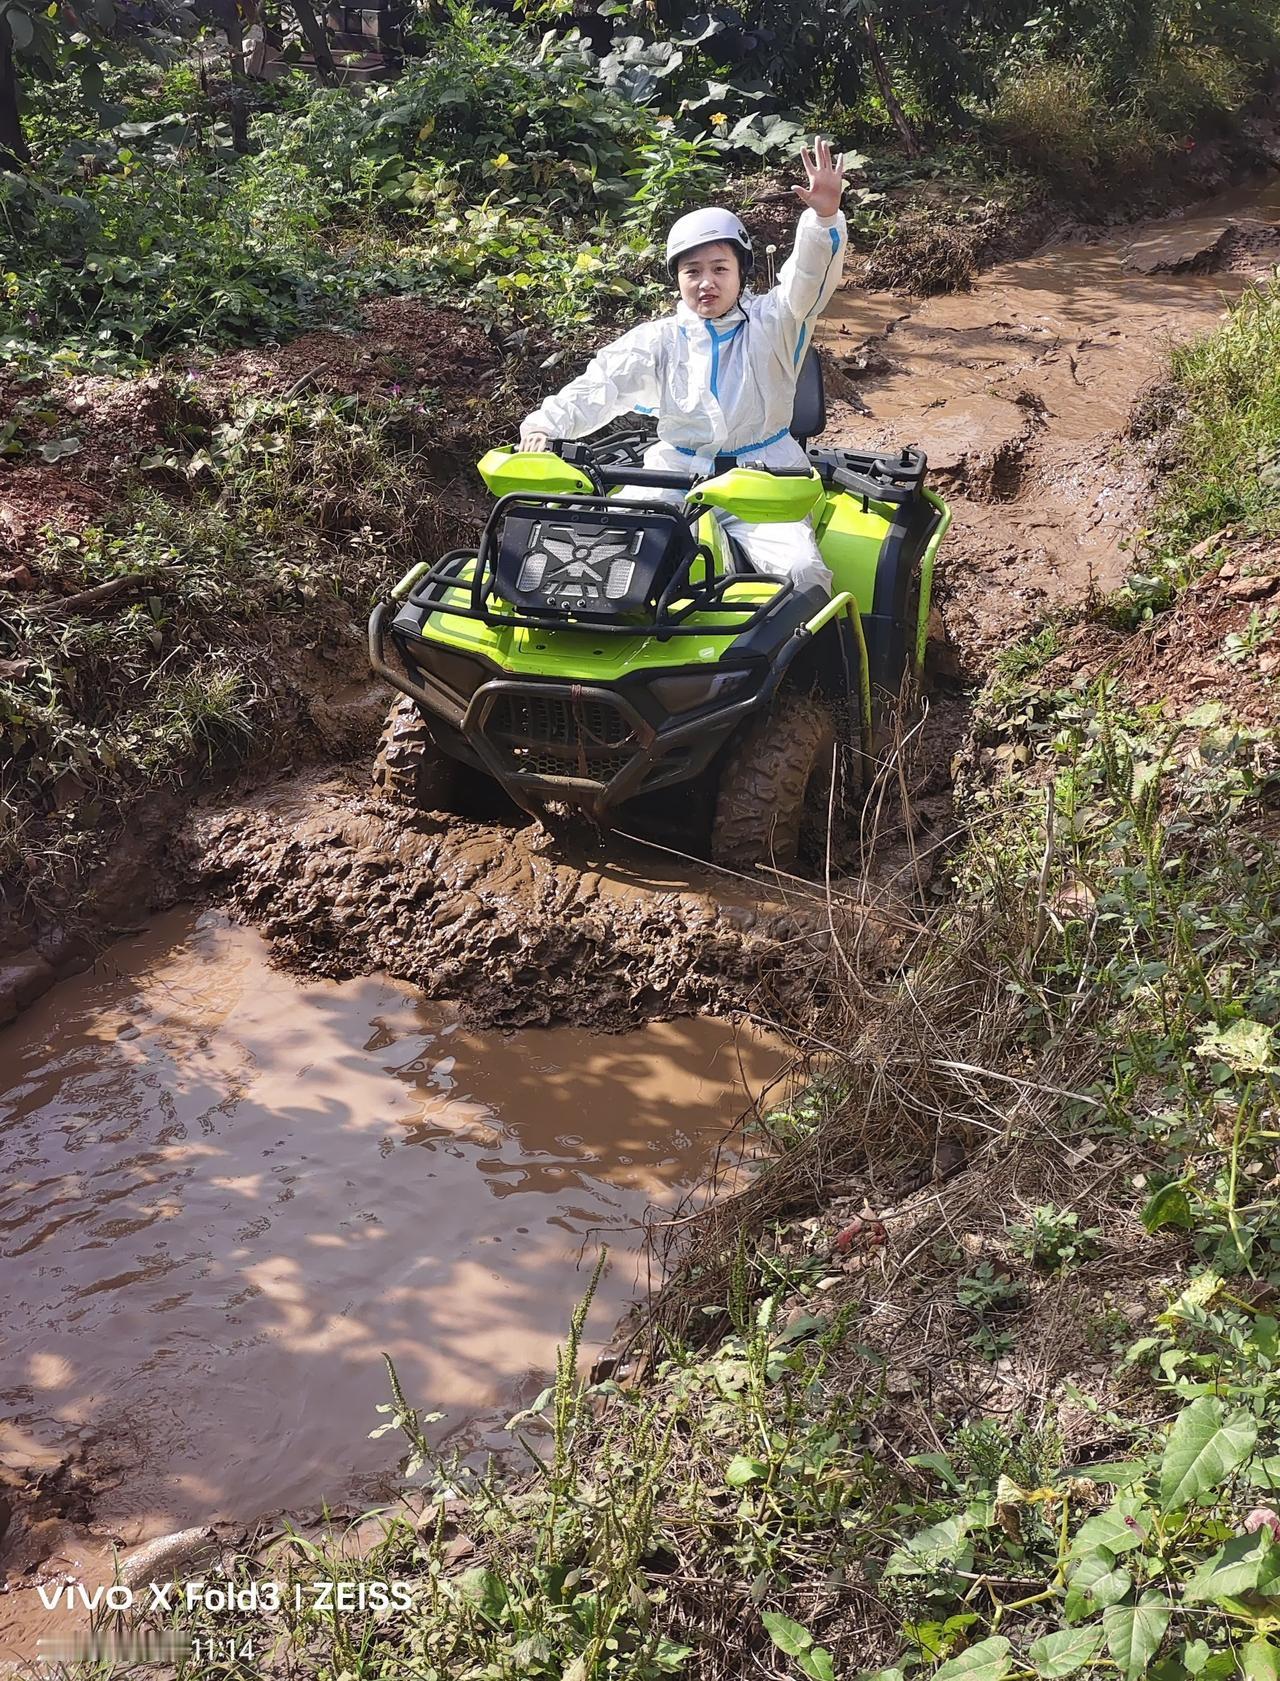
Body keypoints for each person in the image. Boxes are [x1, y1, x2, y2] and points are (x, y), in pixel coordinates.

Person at [518, 137, 848, 595]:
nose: (706, 282)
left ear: (741, 272)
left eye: (719, 268)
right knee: (605, 555)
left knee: (803, 574)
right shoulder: (659, 339)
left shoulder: (777, 324)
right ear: (677, 279)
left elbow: (809, 278)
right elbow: (602, 385)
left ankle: (816, 664)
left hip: (763, 479)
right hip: (673, 476)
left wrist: (823, 218)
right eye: (693, 271)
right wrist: (546, 425)